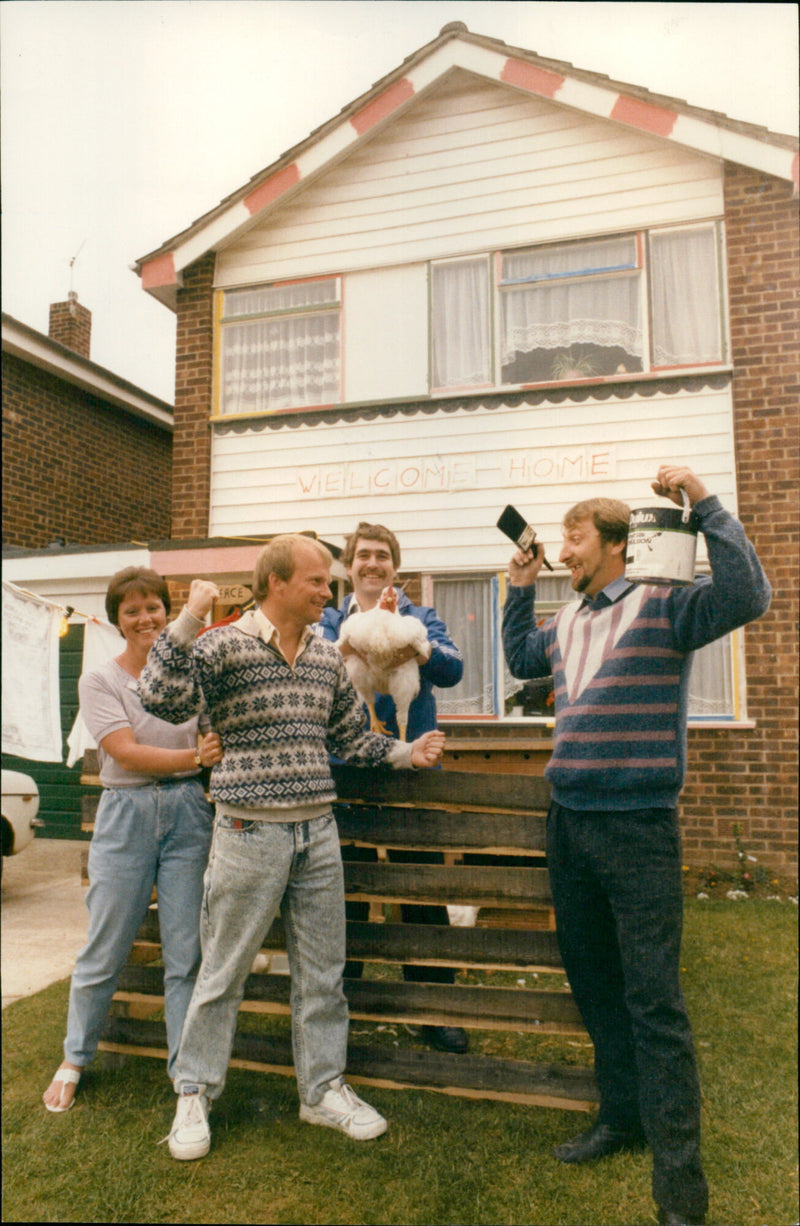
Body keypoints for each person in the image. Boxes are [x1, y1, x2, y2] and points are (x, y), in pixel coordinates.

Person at [502, 466, 770, 1226]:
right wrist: (520, 586)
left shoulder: (666, 607)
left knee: (654, 1003)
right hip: (569, 822)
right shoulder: (569, 619)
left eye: (574, 536)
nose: (564, 548)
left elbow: (749, 596)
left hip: (639, 827)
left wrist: (707, 504)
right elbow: (522, 657)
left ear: (617, 543)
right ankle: (621, 1119)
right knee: (595, 987)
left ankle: (680, 1190)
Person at [137, 535, 445, 1160]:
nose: (327, 595)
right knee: (222, 971)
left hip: (317, 831)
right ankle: (193, 1091)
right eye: (316, 583)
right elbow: (159, 697)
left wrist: (406, 752)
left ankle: (323, 1090)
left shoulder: (328, 658)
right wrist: (189, 617)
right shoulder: (222, 643)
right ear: (276, 583)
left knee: (323, 972)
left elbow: (353, 737)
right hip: (248, 830)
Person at [42, 568, 221, 1113]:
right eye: (132, 610)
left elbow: (216, 731)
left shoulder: (195, 674)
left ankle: (187, 1076)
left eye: (154, 607)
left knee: (185, 953)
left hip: (191, 813)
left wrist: (203, 756)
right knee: (105, 946)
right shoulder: (100, 680)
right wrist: (195, 756)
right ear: (118, 620)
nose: (145, 618)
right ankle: (75, 1058)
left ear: (169, 613)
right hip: (126, 814)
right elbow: (123, 751)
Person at [317, 522, 468, 1054]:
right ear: (349, 566)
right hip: (345, 772)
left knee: (420, 892)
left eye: (382, 555)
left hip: (411, 770)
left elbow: (453, 669)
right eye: (363, 556)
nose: (372, 563)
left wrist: (417, 647)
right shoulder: (330, 620)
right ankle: (343, 1007)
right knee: (344, 897)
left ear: (395, 567)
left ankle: (435, 1009)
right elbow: (311, 668)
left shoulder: (421, 616)